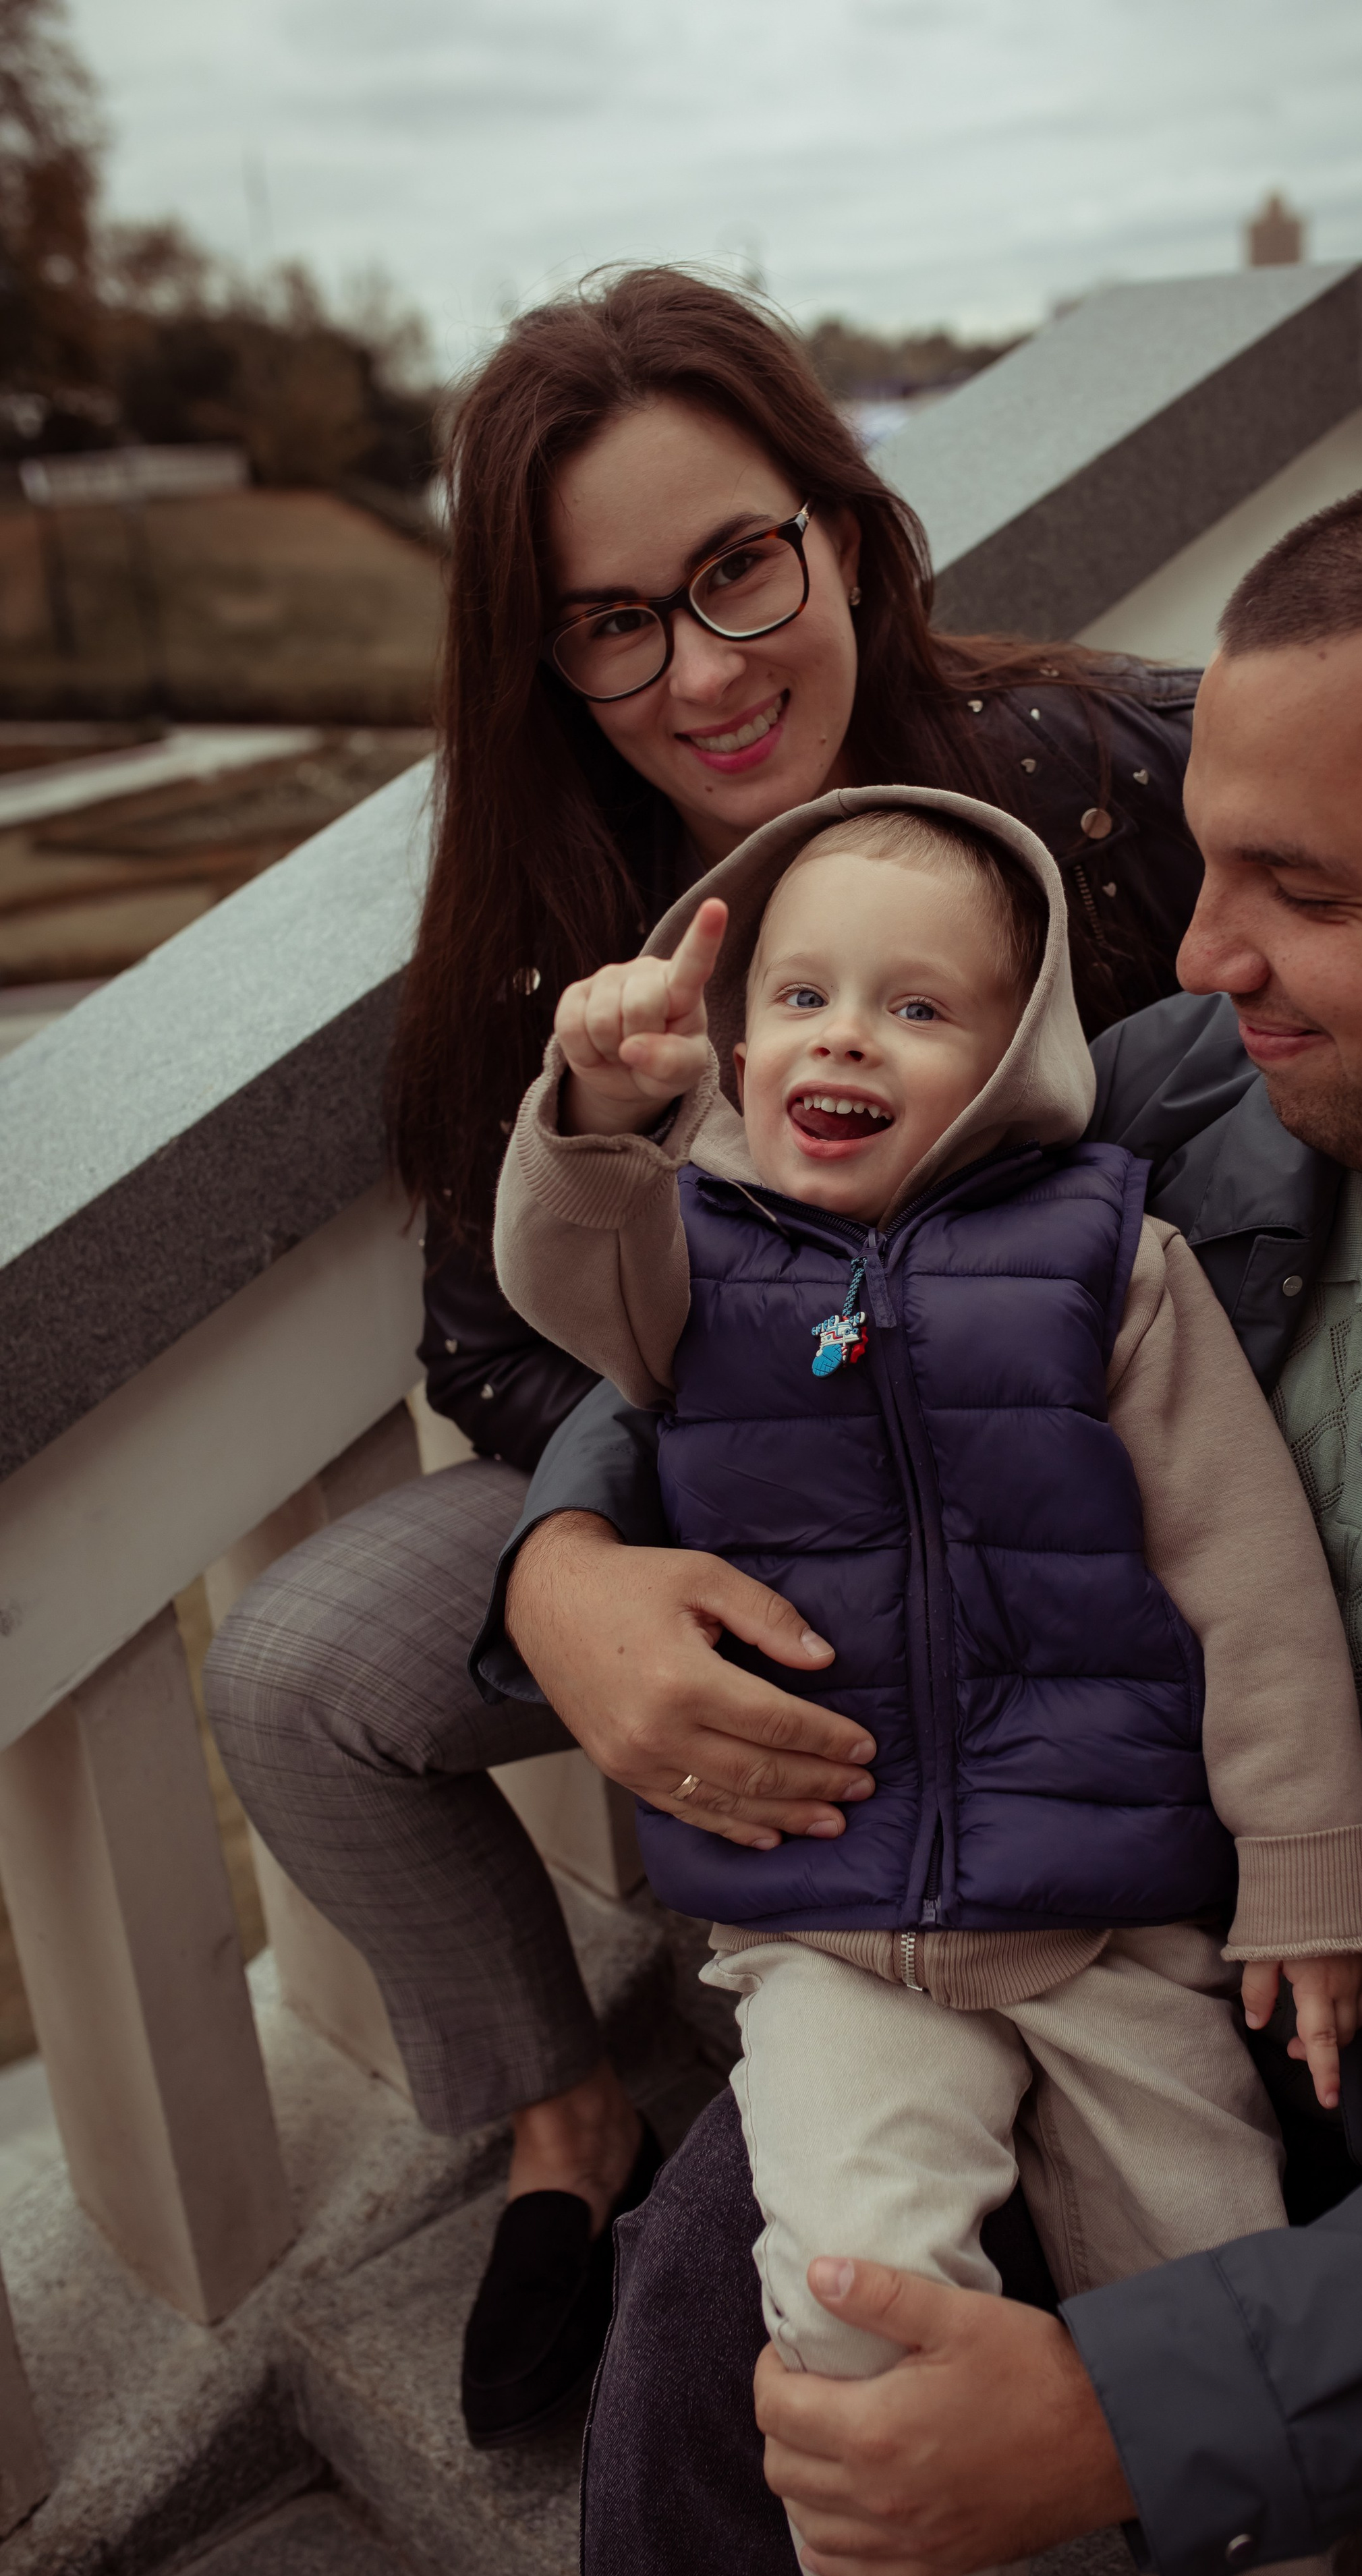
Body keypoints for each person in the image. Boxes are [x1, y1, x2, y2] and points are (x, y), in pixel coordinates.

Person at [474, 452, 1362, 2576]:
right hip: (1081, 1936)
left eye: (1310, 892)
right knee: (712, 2323)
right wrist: (565, 1564)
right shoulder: (1178, 1093)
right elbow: (791, 1298)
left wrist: (1135, 2402)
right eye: (1212, 857)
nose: (1209, 947)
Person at [200, 261, 1212, 2449]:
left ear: (841, 525)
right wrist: (583, 1554)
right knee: (293, 1667)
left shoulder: (1085, 774)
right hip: (719, 1461)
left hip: (1079, 1503)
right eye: (613, 618)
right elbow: (485, 1338)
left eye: (739, 567)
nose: (707, 670)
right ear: (544, 655)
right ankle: (564, 2115)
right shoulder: (547, 911)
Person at [491, 785, 1362, 2576]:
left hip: (1114, 1917)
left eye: (919, 1008)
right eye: (805, 996)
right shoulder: (688, 1257)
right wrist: (597, 1103)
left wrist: (1308, 1861)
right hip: (837, 1936)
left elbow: (1251, 1573)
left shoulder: (1109, 1260)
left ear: (1011, 1059)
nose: (847, 1032)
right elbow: (559, 1258)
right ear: (742, 1043)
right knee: (848, 2304)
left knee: (1215, 2292)